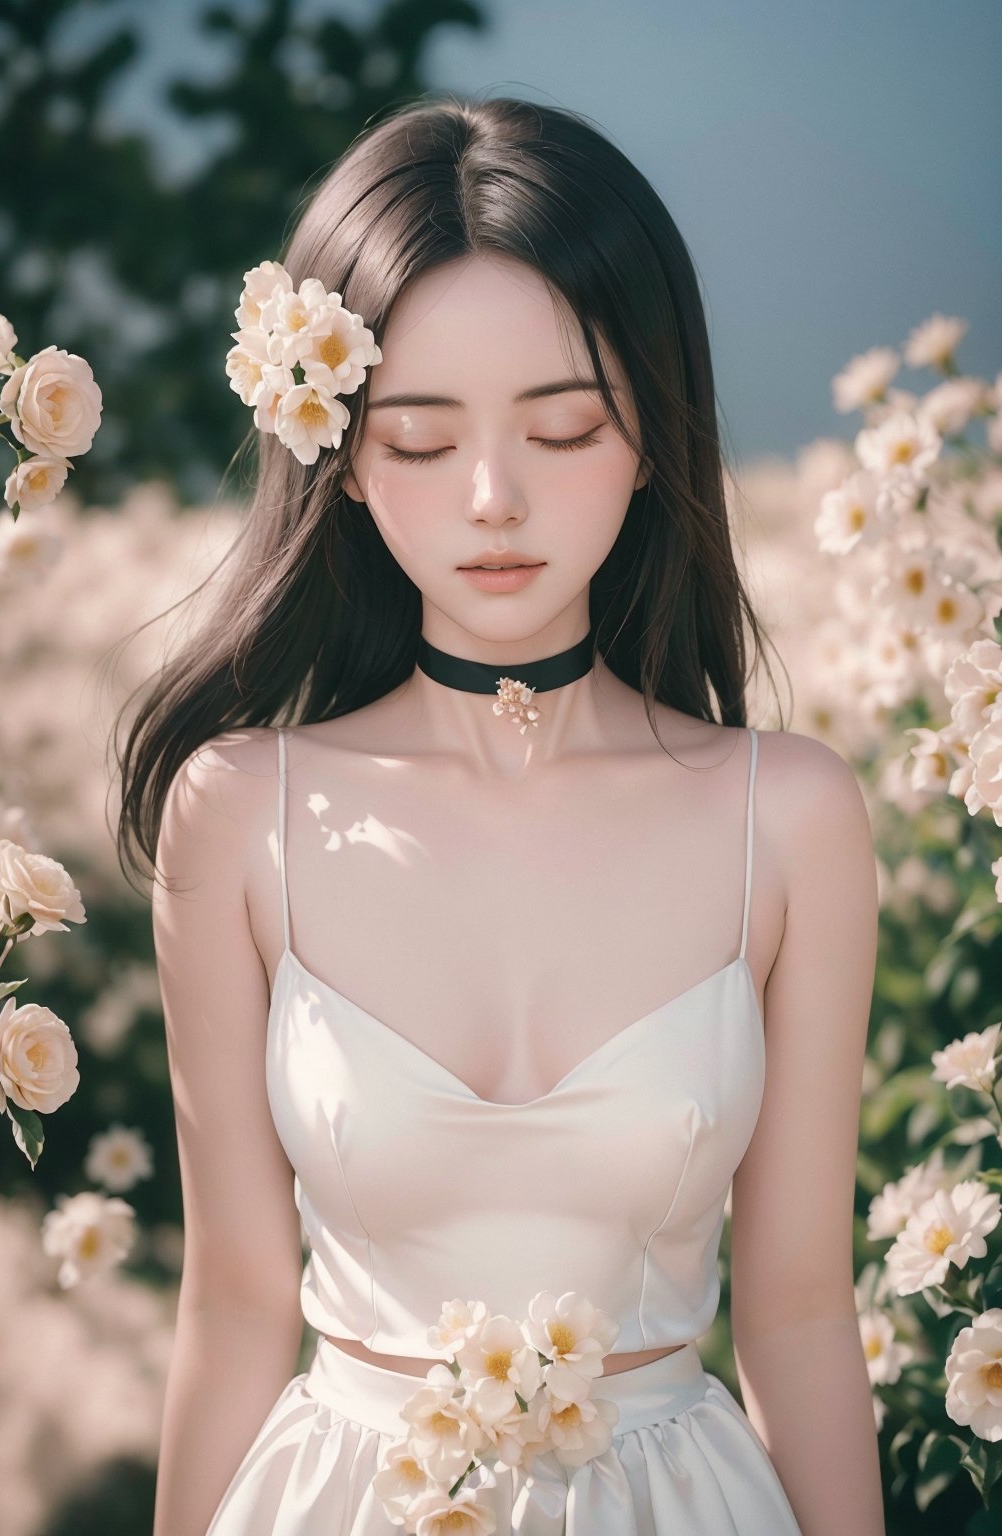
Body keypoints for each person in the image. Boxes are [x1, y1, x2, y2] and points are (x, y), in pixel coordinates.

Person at [118, 94, 885, 1536]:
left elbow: (797, 1314)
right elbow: (229, 1307)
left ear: (654, 433)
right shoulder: (240, 817)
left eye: (566, 427)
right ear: (336, 453)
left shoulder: (787, 821)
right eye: (416, 441)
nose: (492, 499)